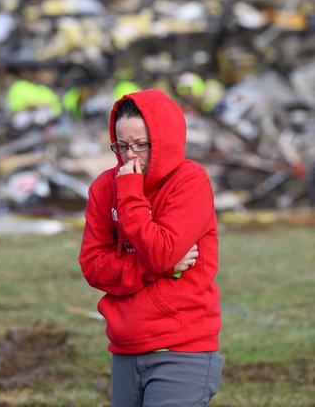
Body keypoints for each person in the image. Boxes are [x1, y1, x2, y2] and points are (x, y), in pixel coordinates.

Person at [79, 89, 222, 406]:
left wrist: (130, 191)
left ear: (165, 140)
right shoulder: (104, 187)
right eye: (122, 146)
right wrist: (158, 268)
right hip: (126, 347)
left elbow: (160, 251)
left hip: (182, 349)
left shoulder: (190, 180)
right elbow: (93, 266)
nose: (130, 157)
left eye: (141, 146)